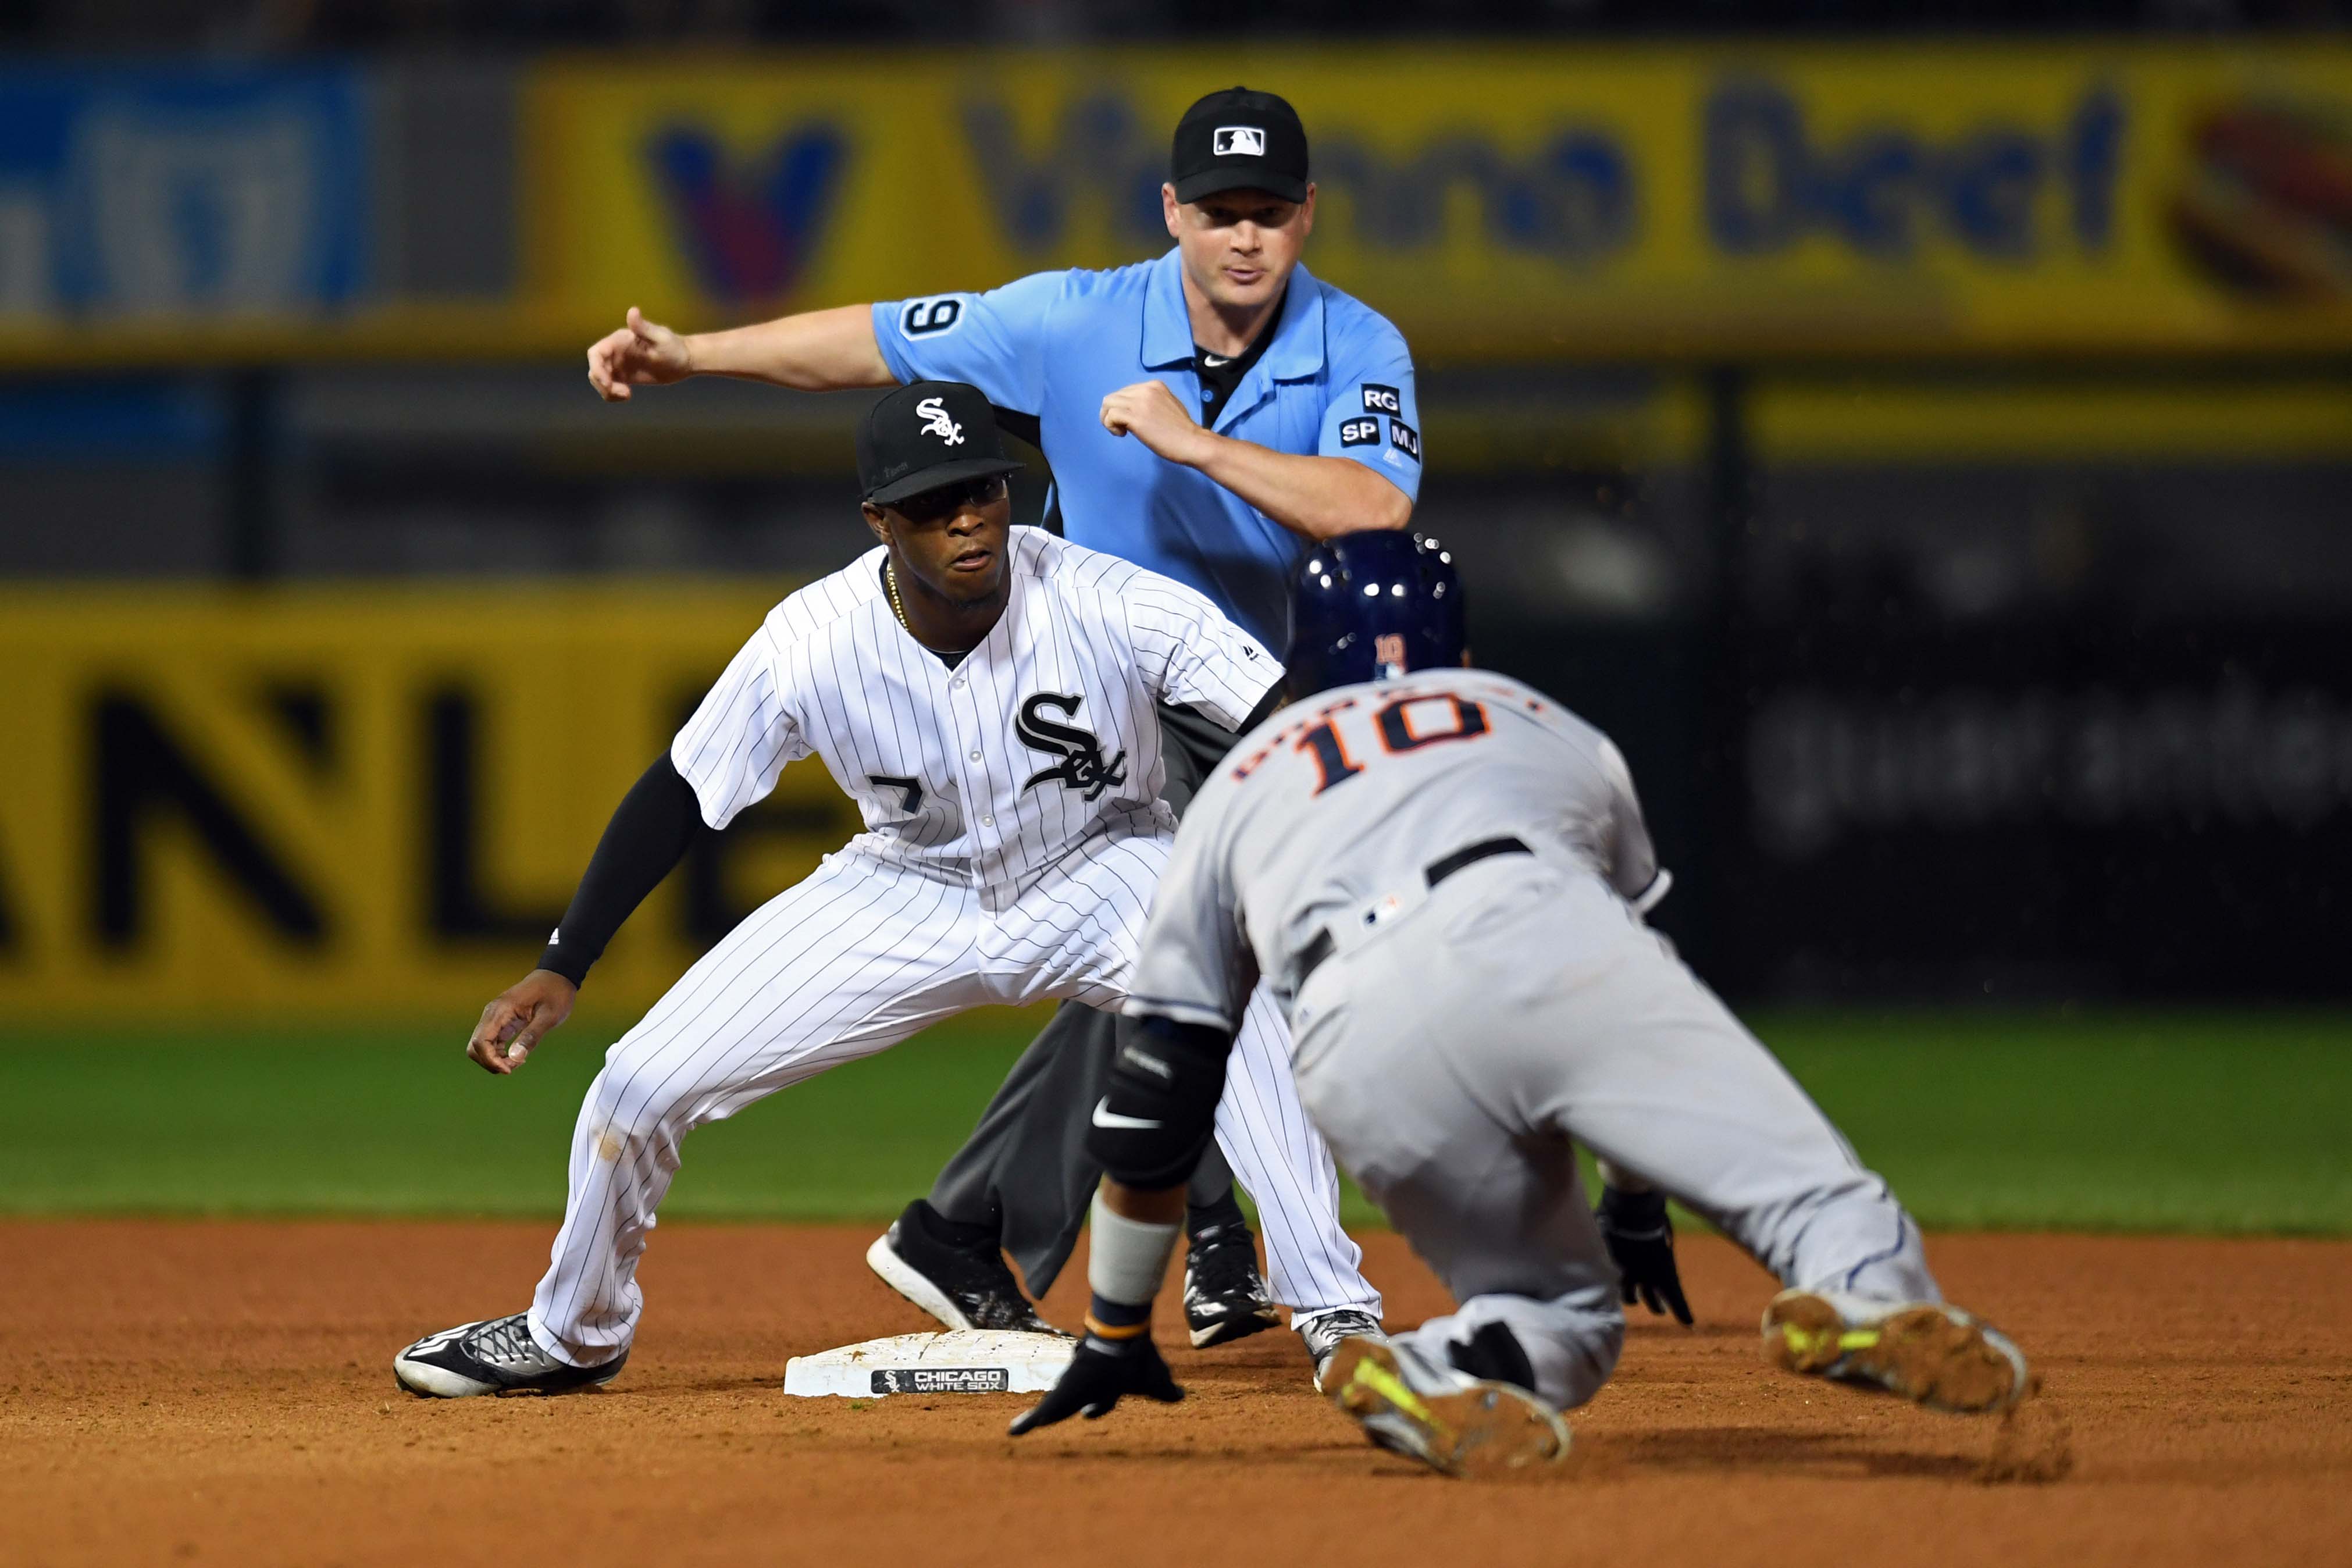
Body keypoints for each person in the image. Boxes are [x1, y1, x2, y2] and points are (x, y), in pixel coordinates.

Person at [583, 85, 1416, 1369]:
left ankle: (991, 1227)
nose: (1242, 238)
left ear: (1306, 216)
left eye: (1267, 212)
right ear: (1172, 212)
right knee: (1194, 945)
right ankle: (1197, 1242)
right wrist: (697, 354)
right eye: (1216, 211)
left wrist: (1193, 449)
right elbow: (874, 344)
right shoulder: (1076, 317)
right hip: (1112, 688)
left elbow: (1367, 509)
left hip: (1276, 686)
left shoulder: (1358, 344)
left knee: (1218, 955)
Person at [391, 382, 1370, 1397]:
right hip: (908, 887)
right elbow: (683, 790)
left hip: (1107, 865)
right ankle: (575, 1332)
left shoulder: (1109, 599)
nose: (967, 518)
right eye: (933, 501)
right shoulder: (813, 638)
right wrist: (564, 960)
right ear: (878, 521)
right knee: (637, 1084)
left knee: (1238, 984)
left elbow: (1279, 715)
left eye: (984, 489)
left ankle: (1338, 1309)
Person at [1006, 532, 2035, 1478]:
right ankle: (1868, 1294)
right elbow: (1632, 957)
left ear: (1304, 648)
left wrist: (1116, 1328)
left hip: (1355, 1032)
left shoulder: (1240, 783)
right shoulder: (1537, 718)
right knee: (1819, 1204)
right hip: (1540, 931)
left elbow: (1163, 1096)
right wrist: (1633, 1203)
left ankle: (1447, 1367)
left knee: (1559, 1315)